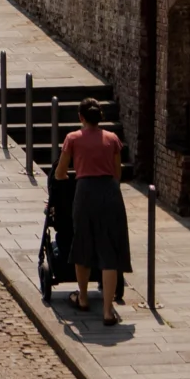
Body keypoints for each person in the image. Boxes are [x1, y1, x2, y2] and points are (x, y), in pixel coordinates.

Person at [56, 96, 130, 324]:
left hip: (85, 192)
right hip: (109, 193)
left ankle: (84, 298)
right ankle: (108, 311)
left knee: (83, 244)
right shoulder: (112, 139)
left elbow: (60, 173)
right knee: (109, 250)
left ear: (81, 117)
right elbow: (117, 174)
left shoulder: (73, 139)